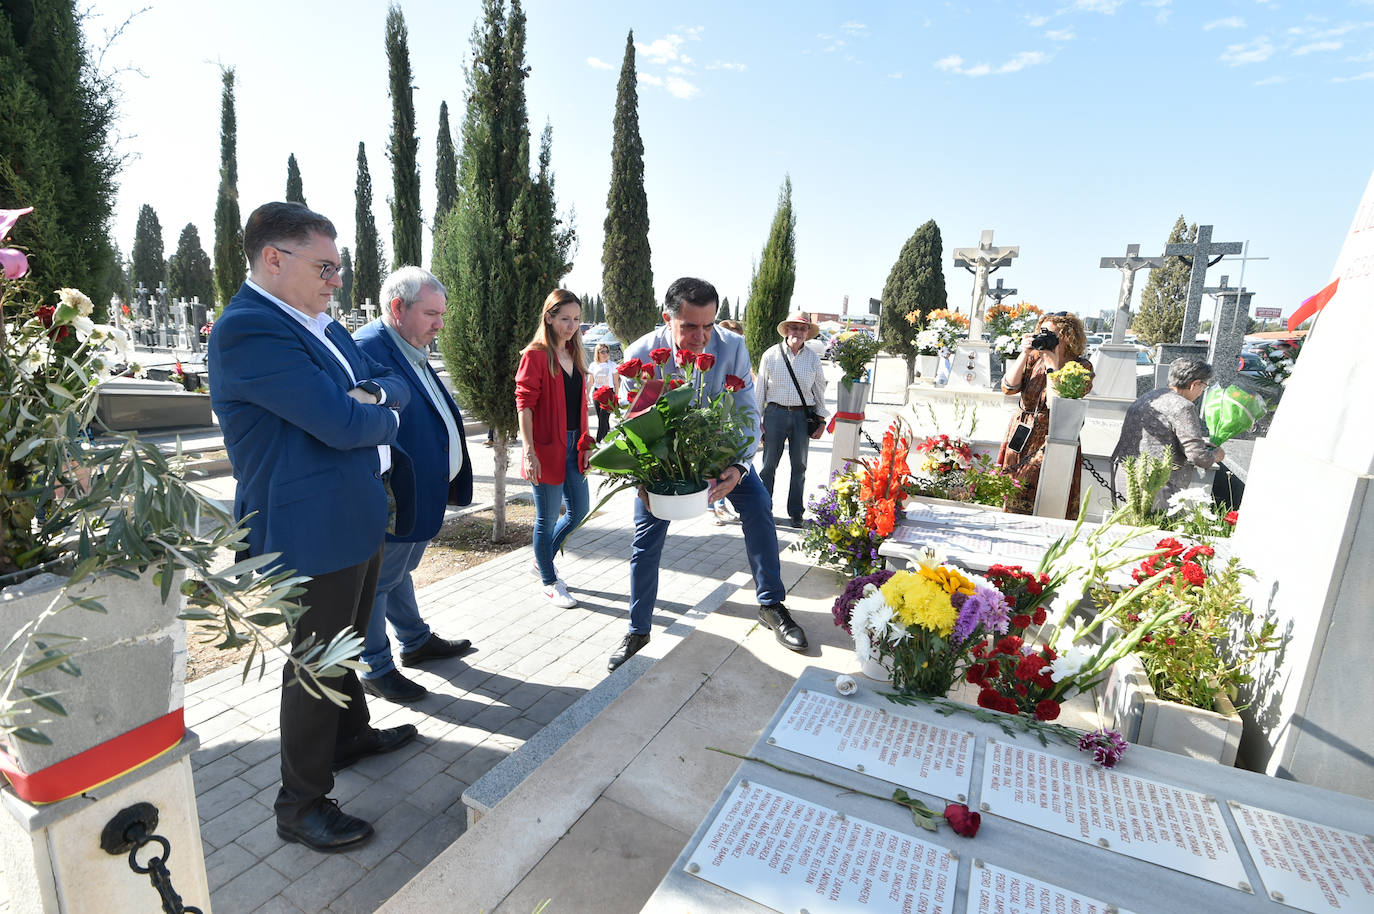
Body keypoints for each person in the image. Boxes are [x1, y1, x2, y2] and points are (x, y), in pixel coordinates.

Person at [208, 202, 416, 853]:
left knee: (343, 645)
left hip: (351, 513)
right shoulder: (250, 329)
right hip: (307, 527)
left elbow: (390, 383)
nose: (336, 281)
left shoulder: (318, 322)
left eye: (339, 267)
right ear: (275, 258)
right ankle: (300, 804)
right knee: (315, 665)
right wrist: (377, 414)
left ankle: (350, 735)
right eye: (325, 266)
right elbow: (340, 423)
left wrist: (373, 399)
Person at [608, 277, 809, 672]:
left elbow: (747, 410)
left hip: (721, 455)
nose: (701, 337)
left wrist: (738, 467)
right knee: (645, 540)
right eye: (689, 327)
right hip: (664, 467)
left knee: (758, 506)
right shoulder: (640, 355)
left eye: (708, 326)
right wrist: (641, 480)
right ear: (667, 318)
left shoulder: (732, 347)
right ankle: (638, 629)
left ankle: (771, 604)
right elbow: (629, 426)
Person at [352, 266, 476, 703]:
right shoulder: (370, 348)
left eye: (442, 314)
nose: (440, 324)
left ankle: (415, 640)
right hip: (395, 495)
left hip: (421, 491)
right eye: (431, 314)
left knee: (397, 573)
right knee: (377, 583)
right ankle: (375, 668)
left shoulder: (407, 344)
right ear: (398, 308)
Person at [516, 289, 591, 609]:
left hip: (576, 446)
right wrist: (528, 451)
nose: (572, 325)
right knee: (546, 520)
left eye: (576, 319)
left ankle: (540, 559)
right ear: (548, 318)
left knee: (578, 511)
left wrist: (586, 443)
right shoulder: (535, 354)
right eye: (565, 319)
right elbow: (525, 405)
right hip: (546, 448)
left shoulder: (575, 354)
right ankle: (549, 581)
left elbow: (580, 404)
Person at [995, 311, 1095, 518]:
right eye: (1042, 332)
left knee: (1044, 493)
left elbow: (1055, 402)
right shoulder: (1034, 359)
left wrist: (1052, 366)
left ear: (1068, 337)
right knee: (1012, 487)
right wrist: (1024, 353)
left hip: (1054, 434)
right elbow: (1008, 388)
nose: (1045, 338)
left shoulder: (1081, 367)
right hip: (1021, 430)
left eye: (1051, 334)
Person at [1111, 357, 1226, 510]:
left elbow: (1158, 437)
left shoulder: (1147, 397)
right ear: (1194, 384)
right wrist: (1217, 455)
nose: (1201, 392)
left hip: (1126, 476)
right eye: (1203, 386)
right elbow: (1198, 457)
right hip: (1157, 484)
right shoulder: (1183, 407)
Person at [755, 311, 828, 527]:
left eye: (803, 328)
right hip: (774, 414)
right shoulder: (770, 355)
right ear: (786, 330)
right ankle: (762, 509)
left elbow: (819, 390)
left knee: (800, 466)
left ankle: (796, 512)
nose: (798, 332)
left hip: (800, 417)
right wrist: (756, 421)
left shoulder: (813, 358)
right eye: (794, 327)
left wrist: (822, 420)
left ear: (807, 333)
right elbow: (760, 391)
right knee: (768, 466)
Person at [709, 319, 745, 525]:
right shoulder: (713, 362)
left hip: (731, 424)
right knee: (717, 465)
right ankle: (717, 505)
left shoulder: (740, 363)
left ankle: (717, 504)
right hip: (715, 424)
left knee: (725, 465)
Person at [588, 342, 620, 442]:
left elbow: (616, 382)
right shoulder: (593, 365)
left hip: (608, 394)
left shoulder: (612, 365)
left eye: (607, 351)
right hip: (597, 394)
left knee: (603, 419)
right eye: (602, 352)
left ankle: (598, 442)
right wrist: (586, 394)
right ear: (597, 353)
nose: (605, 354)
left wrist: (617, 396)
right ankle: (607, 440)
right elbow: (590, 381)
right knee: (602, 420)